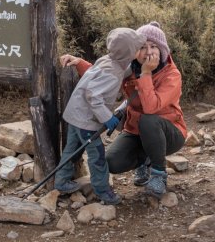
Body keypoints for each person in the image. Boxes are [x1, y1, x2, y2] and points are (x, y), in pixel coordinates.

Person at [60, 21, 186, 199]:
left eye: (154, 47)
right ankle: (144, 160)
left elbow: (151, 108)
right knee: (111, 162)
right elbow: (106, 73)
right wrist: (79, 63)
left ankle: (158, 174)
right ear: (135, 51)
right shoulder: (130, 67)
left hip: (168, 132)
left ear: (163, 50)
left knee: (148, 120)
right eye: (143, 47)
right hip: (136, 131)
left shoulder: (172, 75)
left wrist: (146, 74)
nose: (149, 52)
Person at [54, 27, 146, 205]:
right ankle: (103, 190)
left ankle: (61, 181)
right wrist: (107, 118)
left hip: (75, 114)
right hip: (86, 121)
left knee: (71, 150)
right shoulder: (111, 73)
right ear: (129, 53)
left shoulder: (110, 62)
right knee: (96, 155)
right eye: (138, 48)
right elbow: (93, 95)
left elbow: (120, 71)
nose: (141, 50)